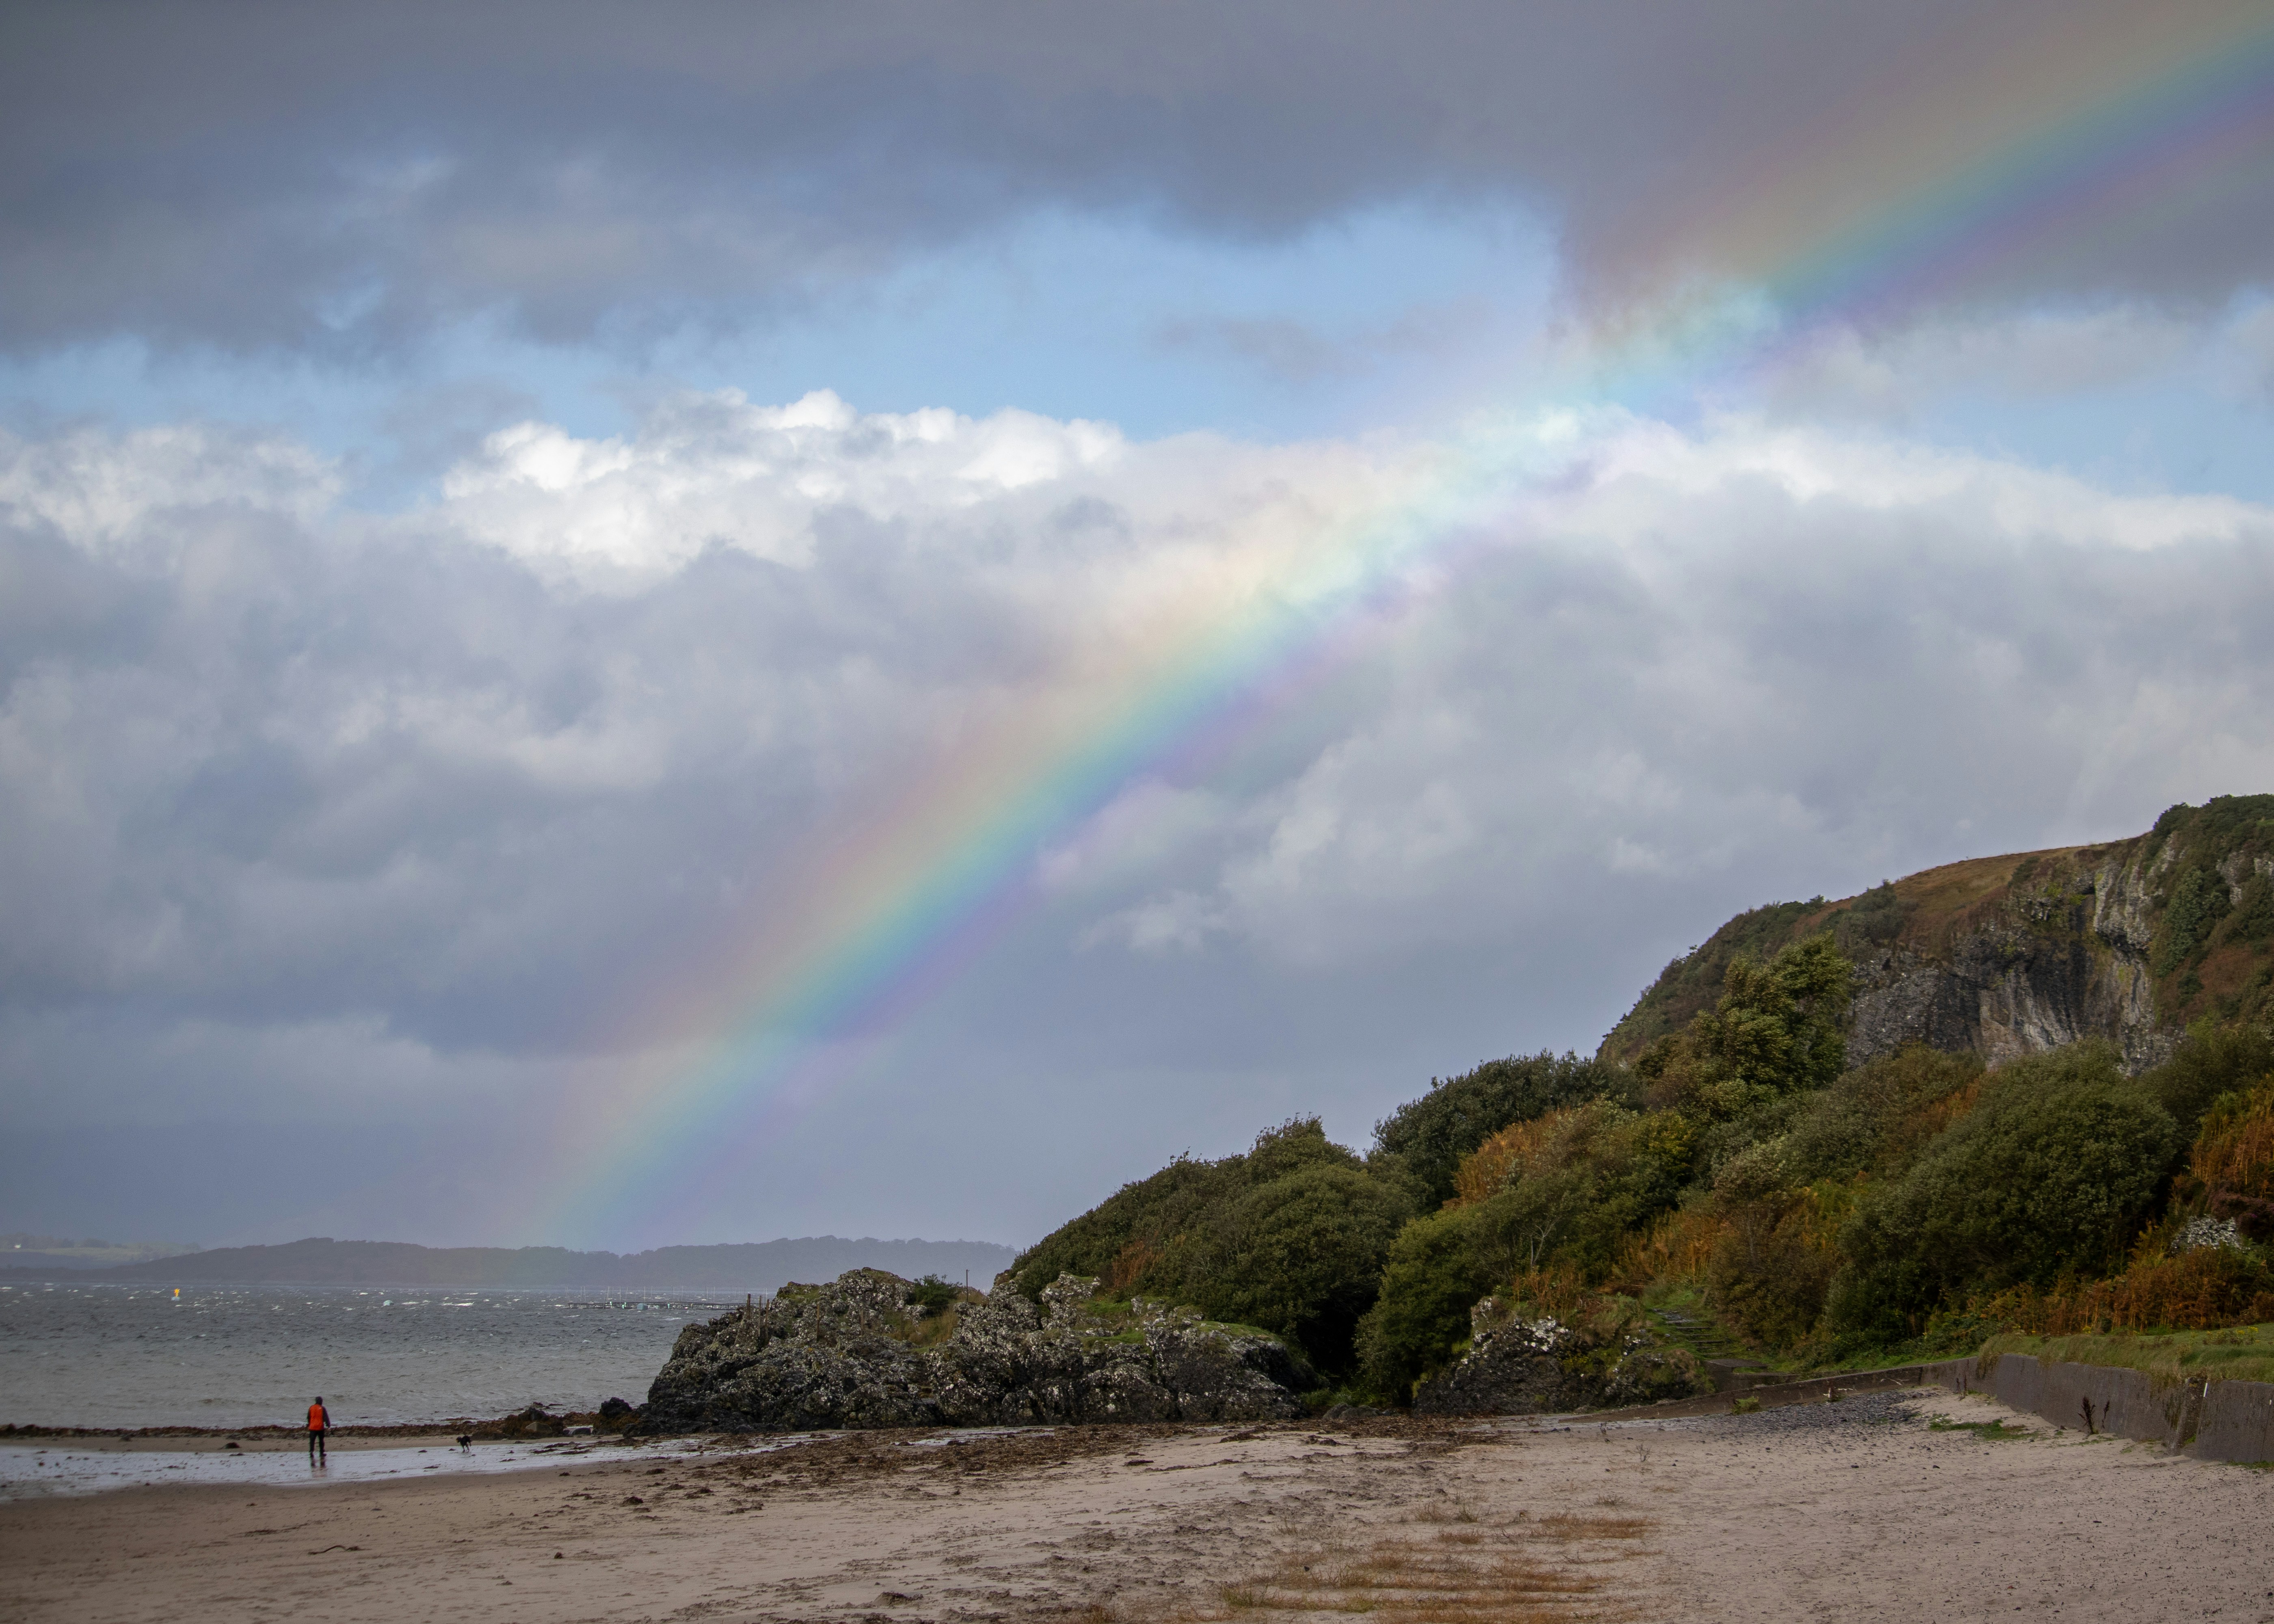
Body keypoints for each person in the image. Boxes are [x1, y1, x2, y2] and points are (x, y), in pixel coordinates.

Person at [307, 1396, 331, 1463]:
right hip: (320, 1427)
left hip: (312, 1428)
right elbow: (326, 1417)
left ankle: (311, 1452)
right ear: (321, 1401)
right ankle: (321, 1452)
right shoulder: (322, 1408)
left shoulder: (311, 1408)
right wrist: (328, 1425)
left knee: (312, 1440)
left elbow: (308, 1417)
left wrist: (309, 1424)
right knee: (321, 1441)